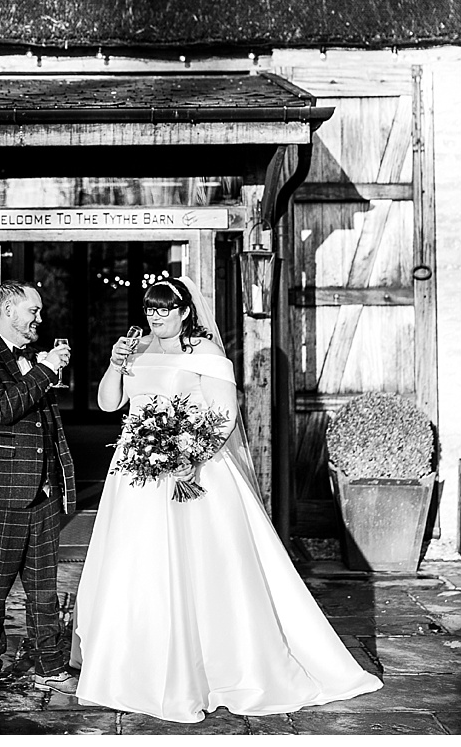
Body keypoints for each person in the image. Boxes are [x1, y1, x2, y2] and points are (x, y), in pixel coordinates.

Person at [74, 277, 381, 722]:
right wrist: (115, 365)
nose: (156, 316)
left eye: (164, 308)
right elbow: (108, 405)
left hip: (192, 473)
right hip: (136, 475)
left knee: (202, 570)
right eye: (150, 308)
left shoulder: (206, 355)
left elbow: (222, 418)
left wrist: (189, 458)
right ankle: (135, 666)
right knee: (138, 565)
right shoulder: (136, 352)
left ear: (184, 312)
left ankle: (210, 668)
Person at [0, 279, 77, 701]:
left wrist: (60, 483)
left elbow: (44, 427)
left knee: (44, 590)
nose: (39, 319)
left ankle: (51, 666)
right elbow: (2, 408)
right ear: (8, 311)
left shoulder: (31, 358)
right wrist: (45, 371)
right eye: (33, 312)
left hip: (42, 496)